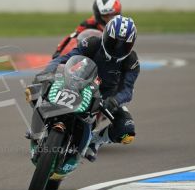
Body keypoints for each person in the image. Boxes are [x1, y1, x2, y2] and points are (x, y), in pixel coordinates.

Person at [39, 15, 140, 162]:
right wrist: (48, 71)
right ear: (105, 35)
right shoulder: (92, 43)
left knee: (127, 131)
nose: (118, 48)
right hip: (81, 83)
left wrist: (115, 100)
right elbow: (65, 58)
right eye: (114, 42)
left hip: (106, 98)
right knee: (41, 86)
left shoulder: (131, 61)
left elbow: (128, 90)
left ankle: (95, 141)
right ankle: (41, 124)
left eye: (124, 45)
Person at [53, 0, 122, 59]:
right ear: (98, 15)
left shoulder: (123, 25)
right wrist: (59, 52)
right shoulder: (89, 23)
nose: (111, 19)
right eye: (106, 16)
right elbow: (72, 38)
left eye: (114, 15)